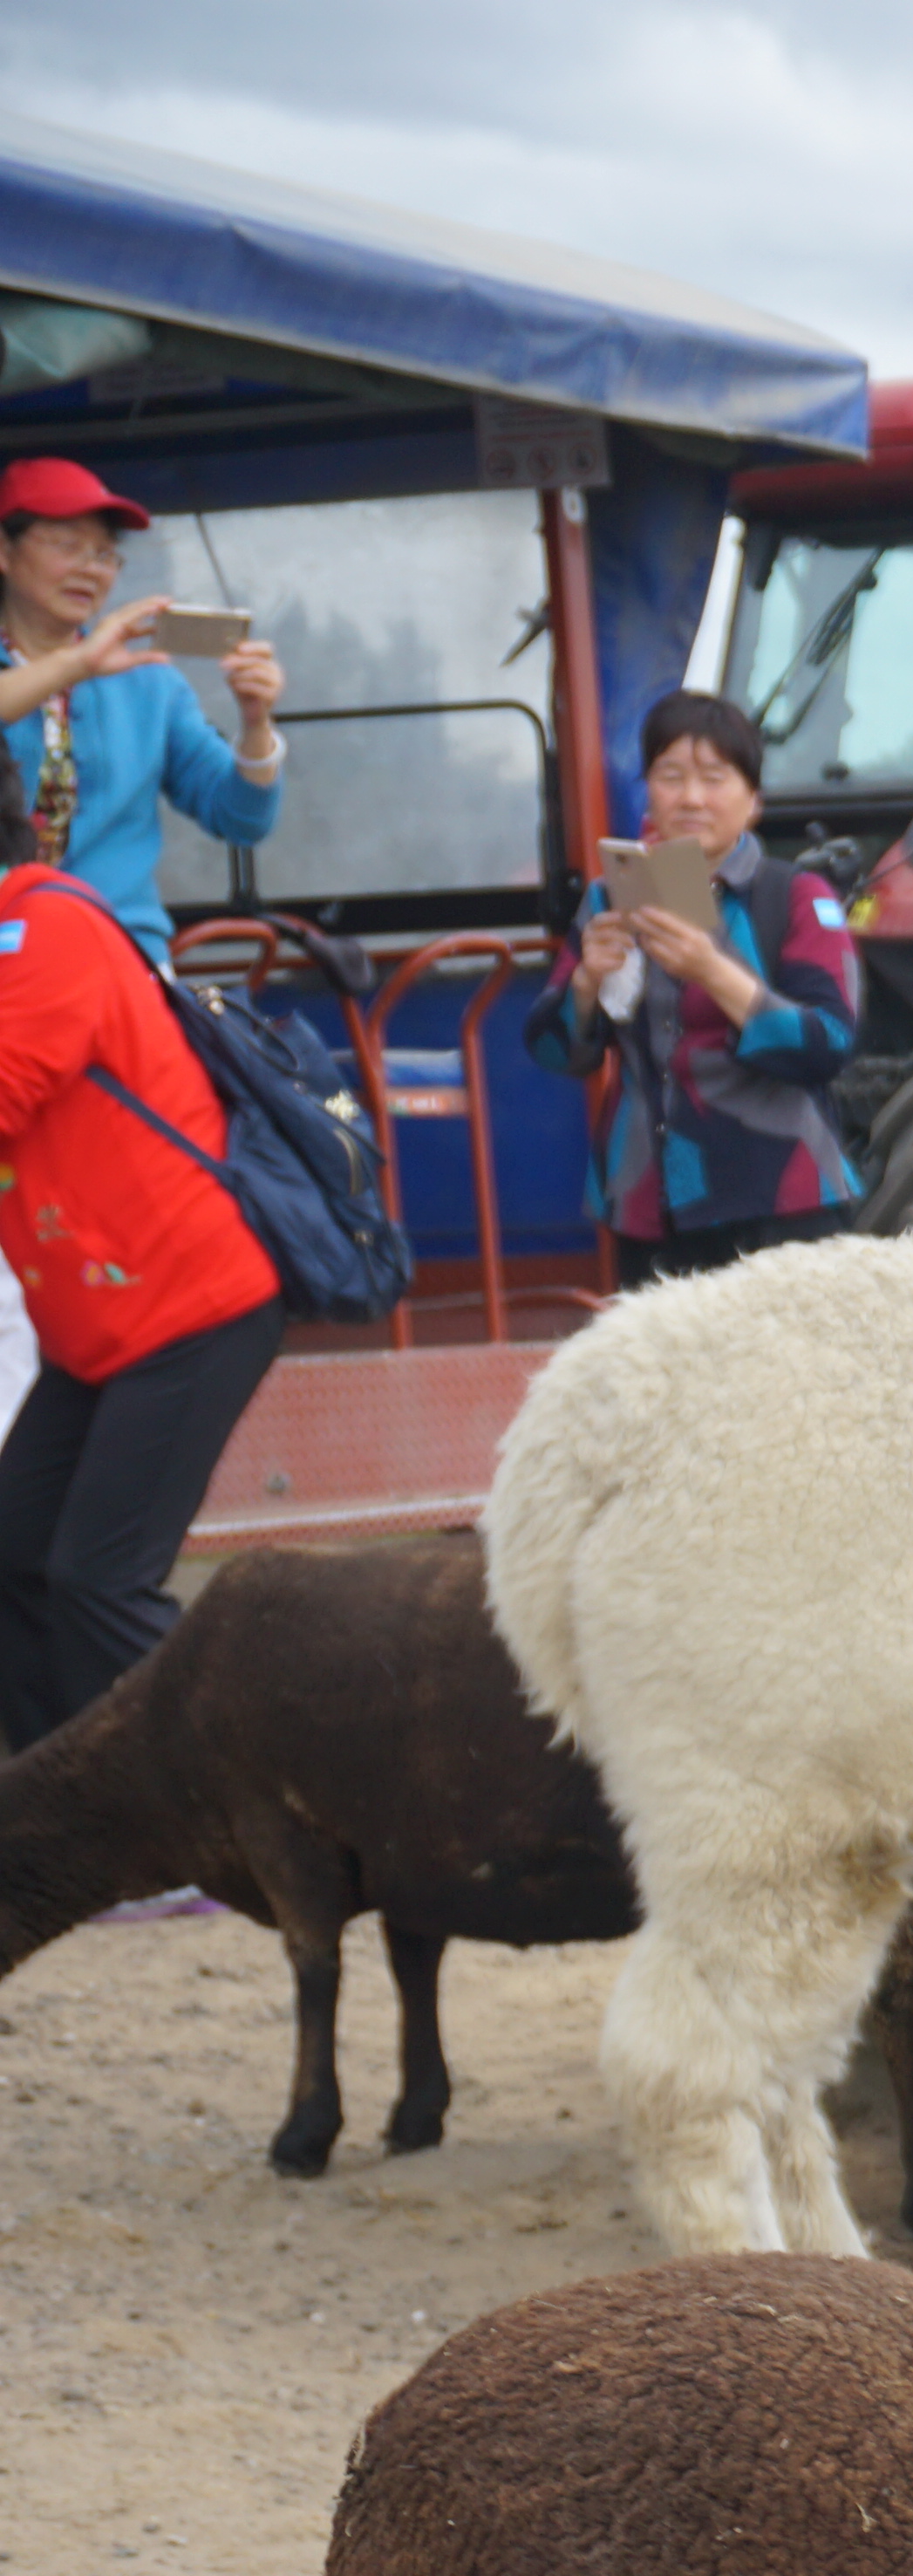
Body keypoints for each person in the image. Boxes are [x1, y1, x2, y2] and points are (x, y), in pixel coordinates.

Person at [0, 780, 284, 1747]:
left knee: (98, 1579)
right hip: (98, 1330)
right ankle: (58, 1817)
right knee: (15, 1557)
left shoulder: (41, 926)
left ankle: (244, 1798)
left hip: (191, 1305)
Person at [521, 690, 864, 1284]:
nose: (692, 798)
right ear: (649, 790)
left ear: (753, 800)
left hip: (779, 1203)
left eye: (715, 777)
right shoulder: (611, 896)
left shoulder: (798, 896)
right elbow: (554, 1050)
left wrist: (711, 970)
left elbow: (828, 1042)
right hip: (647, 1207)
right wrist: (585, 981)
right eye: (670, 776)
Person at [0, 457, 287, 939]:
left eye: (105, 554)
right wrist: (79, 663)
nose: (90, 570)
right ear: (4, 552)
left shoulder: (149, 684)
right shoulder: (101, 662)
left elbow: (241, 819)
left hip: (121, 947)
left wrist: (257, 724)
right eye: (68, 546)